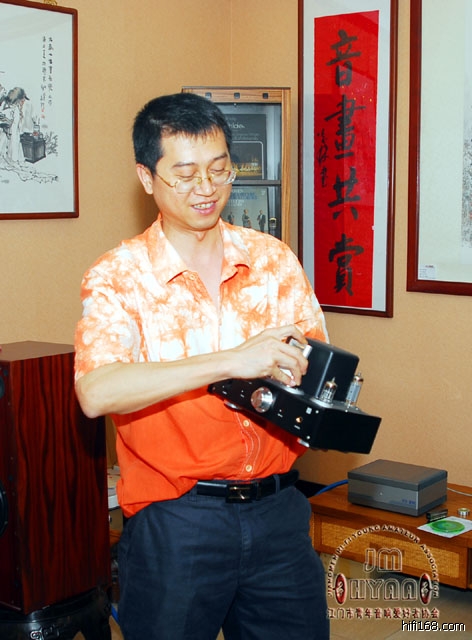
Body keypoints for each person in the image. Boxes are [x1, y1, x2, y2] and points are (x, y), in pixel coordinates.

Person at [74, 92, 329, 640]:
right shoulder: (120, 277)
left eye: (219, 169)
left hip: (278, 511)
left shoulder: (272, 260)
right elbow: (96, 391)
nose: (207, 188)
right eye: (185, 174)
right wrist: (232, 361)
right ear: (147, 178)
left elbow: (312, 367)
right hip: (177, 521)